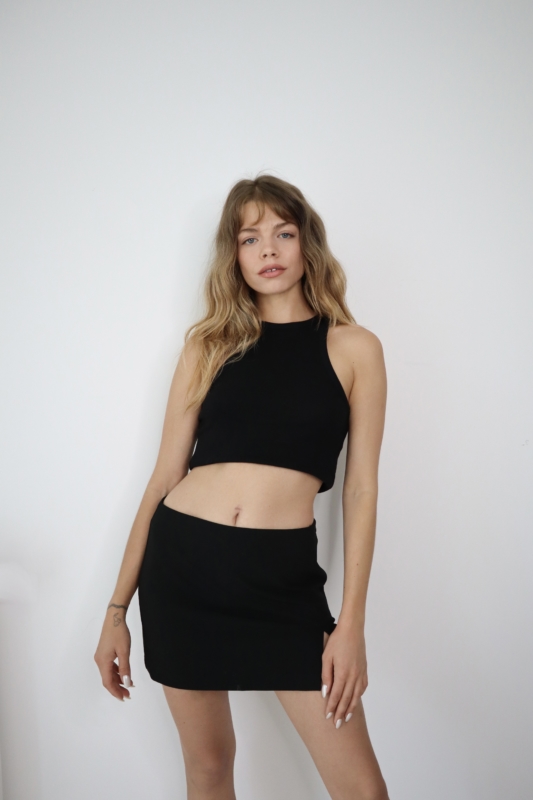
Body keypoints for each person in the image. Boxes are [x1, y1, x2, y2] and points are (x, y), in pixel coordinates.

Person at [94, 174, 389, 800]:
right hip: (184, 573)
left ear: (307, 244)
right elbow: (164, 478)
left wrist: (350, 625)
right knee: (208, 768)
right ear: (234, 255)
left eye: (283, 233)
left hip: (282, 581)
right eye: (250, 238)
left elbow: (361, 490)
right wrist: (116, 611)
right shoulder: (208, 347)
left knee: (362, 790)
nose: (268, 249)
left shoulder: (355, 348)